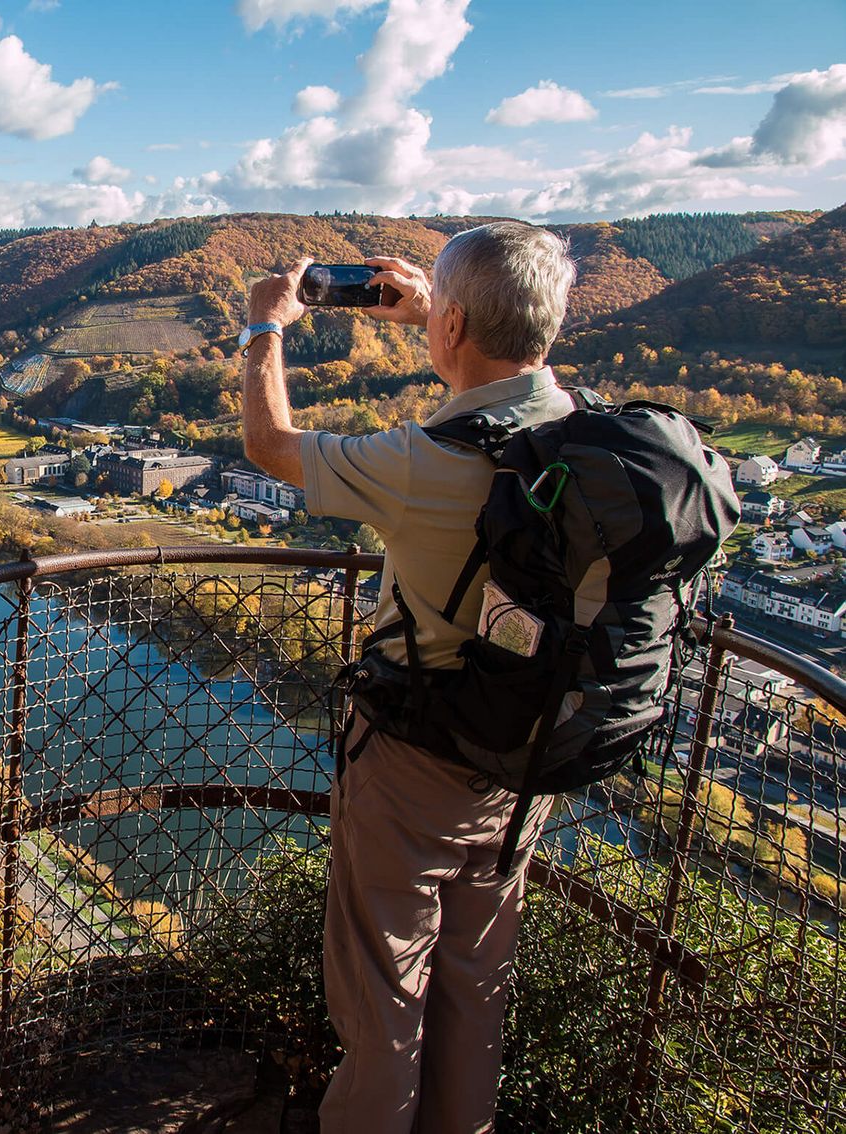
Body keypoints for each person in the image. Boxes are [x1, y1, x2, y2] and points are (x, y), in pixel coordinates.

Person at [239, 222, 578, 1134]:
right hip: (527, 758)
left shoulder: (421, 465)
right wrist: (441, 317)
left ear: (457, 325)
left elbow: (270, 443)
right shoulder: (585, 435)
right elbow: (500, 403)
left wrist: (263, 328)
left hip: (416, 762)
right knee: (474, 988)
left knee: (384, 995)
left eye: (445, 318)